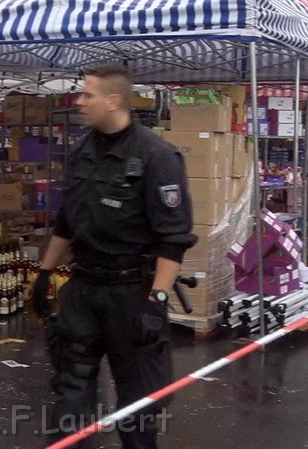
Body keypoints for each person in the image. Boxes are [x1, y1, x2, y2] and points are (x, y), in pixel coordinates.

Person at [30, 63, 197, 448]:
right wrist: (44, 271)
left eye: (87, 94)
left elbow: (173, 240)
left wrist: (156, 299)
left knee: (138, 409)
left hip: (131, 296)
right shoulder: (82, 152)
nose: (79, 102)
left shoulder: (156, 157)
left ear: (113, 99)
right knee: (71, 396)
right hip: (84, 290)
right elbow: (67, 221)